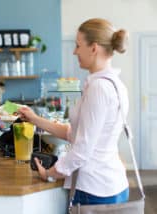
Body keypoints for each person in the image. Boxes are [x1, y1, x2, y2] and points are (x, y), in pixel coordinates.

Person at [18, 18, 130, 205]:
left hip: (93, 188)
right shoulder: (116, 84)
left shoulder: (99, 88)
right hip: (113, 184)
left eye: (78, 46)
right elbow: (75, 134)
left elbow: (82, 150)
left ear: (94, 48)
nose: (74, 51)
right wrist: (35, 119)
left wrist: (50, 173)